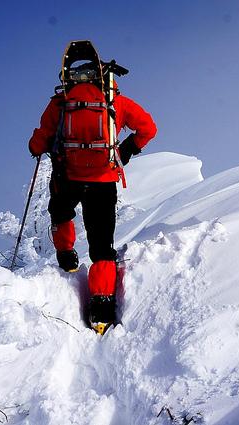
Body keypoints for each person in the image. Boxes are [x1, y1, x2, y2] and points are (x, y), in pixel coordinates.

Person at [28, 46, 157, 326]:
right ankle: (101, 308)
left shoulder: (60, 102)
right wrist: (126, 150)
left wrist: (36, 146)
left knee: (60, 213)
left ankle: (67, 257)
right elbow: (149, 128)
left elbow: (41, 138)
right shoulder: (116, 102)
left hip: (68, 177)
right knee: (102, 244)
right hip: (103, 181)